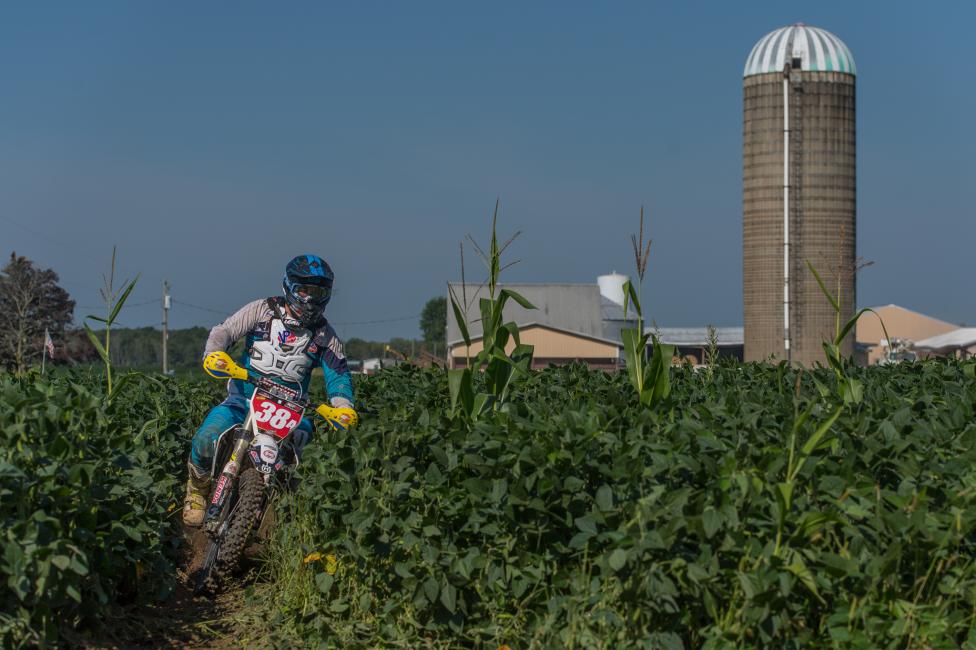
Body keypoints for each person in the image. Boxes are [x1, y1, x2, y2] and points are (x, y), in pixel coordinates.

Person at [182, 254, 356, 527]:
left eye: (318, 292)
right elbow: (225, 330)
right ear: (289, 286)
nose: (311, 299)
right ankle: (197, 489)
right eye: (305, 290)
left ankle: (294, 520)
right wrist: (214, 353)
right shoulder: (261, 310)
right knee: (206, 437)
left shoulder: (326, 336)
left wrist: (343, 407)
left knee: (307, 461)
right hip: (245, 399)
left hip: (292, 410)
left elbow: (339, 376)